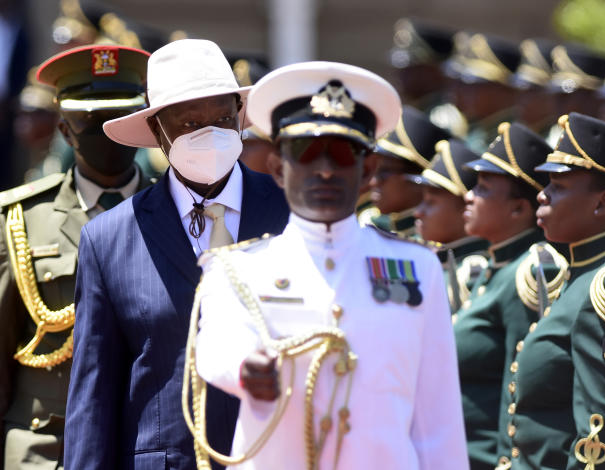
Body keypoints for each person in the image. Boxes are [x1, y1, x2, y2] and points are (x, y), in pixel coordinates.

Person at [190, 60, 468, 470]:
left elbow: (438, 419)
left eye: (341, 153)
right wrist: (245, 369)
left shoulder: (417, 267)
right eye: (305, 153)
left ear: (368, 169)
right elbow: (215, 348)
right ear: (278, 169)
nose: (324, 170)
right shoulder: (236, 269)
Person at [63, 39, 289, 470]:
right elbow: (93, 395)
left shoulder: (291, 213)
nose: (209, 134)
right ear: (158, 134)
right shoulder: (110, 238)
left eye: (223, 118)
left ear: (241, 116)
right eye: (188, 124)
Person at [0, 44, 153, 469]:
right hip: (45, 445)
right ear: (65, 130)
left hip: (142, 443)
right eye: (91, 121)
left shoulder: (173, 211)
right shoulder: (19, 219)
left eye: (118, 119)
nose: (106, 132)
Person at [499, 112, 605, 469]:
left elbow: (596, 435)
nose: (543, 195)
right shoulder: (577, 275)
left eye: (558, 185)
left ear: (601, 203)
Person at [455, 121, 562, 469]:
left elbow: (518, 385)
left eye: (484, 188)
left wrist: (508, 463)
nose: (469, 195)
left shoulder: (527, 272)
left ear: (519, 209)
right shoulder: (495, 267)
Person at [410, 137, 488, 312]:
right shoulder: (427, 262)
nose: (418, 212)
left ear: (465, 210)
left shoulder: (473, 274)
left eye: (431, 202)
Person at [363, 105, 450, 236]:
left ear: (417, 180)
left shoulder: (432, 243)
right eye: (375, 171)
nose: (374, 182)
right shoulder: (368, 222)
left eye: (385, 172)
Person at [443, 32, 520, 154]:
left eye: (479, 86)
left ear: (504, 90)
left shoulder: (514, 139)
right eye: (468, 85)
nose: (468, 92)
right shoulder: (475, 132)